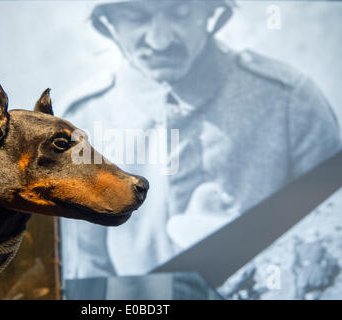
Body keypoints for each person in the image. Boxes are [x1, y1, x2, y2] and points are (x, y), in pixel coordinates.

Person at [58, 0, 342, 281]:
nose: (160, 41)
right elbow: (85, 271)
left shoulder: (290, 99)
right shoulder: (83, 117)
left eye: (181, 14)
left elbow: (328, 245)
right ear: (109, 23)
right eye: (135, 18)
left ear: (211, 13)